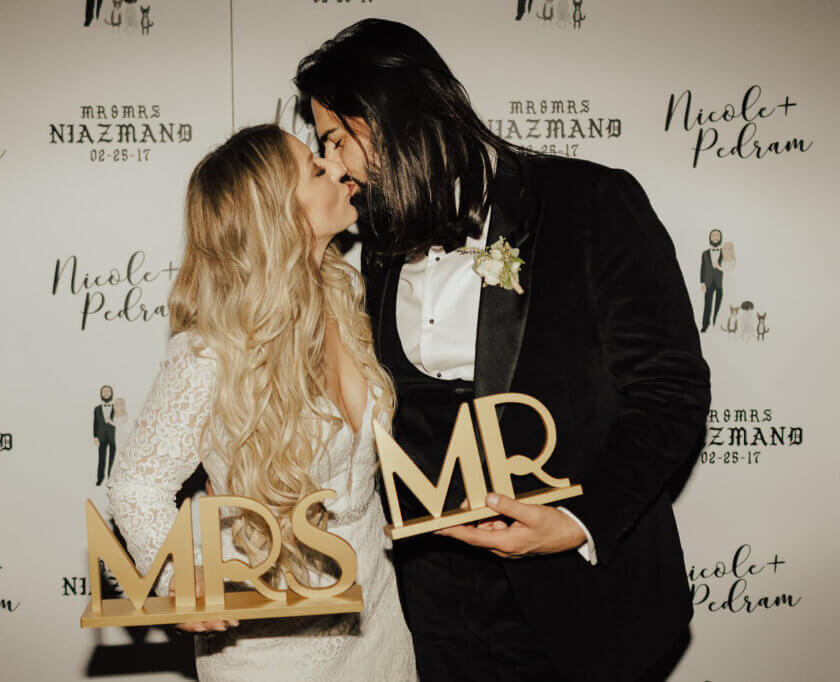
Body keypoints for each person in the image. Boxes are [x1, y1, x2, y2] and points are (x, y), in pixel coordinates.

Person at [295, 19, 710, 681]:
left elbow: (670, 390)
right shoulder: (372, 250)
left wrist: (577, 521)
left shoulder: (590, 202)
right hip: (435, 613)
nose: (336, 166)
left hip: (579, 600)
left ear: (391, 113)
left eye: (338, 139)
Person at [106, 124, 416, 681]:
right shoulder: (208, 355)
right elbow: (135, 487)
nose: (339, 168)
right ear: (280, 214)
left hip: (377, 627)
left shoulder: (347, 299)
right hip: (273, 642)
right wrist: (188, 578)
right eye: (316, 170)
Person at [699, 228, 725, 332]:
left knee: (719, 303)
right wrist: (702, 282)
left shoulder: (724, 252)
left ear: (721, 238)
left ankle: (716, 323)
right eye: (713, 235)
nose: (715, 238)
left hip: (720, 283)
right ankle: (705, 324)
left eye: (717, 235)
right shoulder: (705, 253)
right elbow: (702, 268)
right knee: (707, 304)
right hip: (708, 283)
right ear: (710, 238)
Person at [93, 385, 117, 486]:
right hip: (101, 437)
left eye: (108, 392)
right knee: (101, 458)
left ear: (111, 393)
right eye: (104, 392)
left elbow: (120, 421)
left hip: (112, 437)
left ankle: (110, 475)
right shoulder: (97, 409)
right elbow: (95, 423)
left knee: (112, 457)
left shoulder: (116, 408)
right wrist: (95, 437)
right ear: (101, 394)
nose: (106, 394)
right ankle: (100, 477)